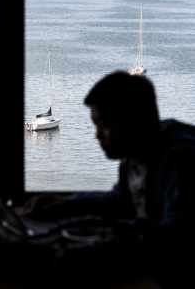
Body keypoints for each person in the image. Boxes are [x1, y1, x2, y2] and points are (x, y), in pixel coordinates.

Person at [23, 71, 194, 288]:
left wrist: (102, 230)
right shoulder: (134, 155)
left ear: (136, 122)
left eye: (104, 125)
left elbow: (174, 236)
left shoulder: (180, 161)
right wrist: (67, 203)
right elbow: (120, 200)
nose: (97, 135)